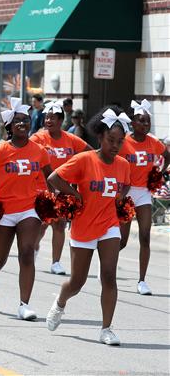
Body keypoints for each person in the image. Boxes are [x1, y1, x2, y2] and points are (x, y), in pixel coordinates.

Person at [45, 108, 132, 346]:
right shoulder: (84, 159)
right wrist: (74, 194)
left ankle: (107, 329)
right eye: (111, 140)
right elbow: (54, 178)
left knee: (109, 276)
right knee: (77, 282)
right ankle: (61, 301)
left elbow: (126, 185)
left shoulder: (123, 164)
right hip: (83, 226)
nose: (115, 145)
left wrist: (120, 198)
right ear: (99, 137)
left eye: (120, 141)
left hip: (109, 226)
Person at [0, 98, 53, 320]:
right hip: (3, 210)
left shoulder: (39, 151)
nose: (23, 124)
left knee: (27, 253)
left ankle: (24, 304)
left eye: (26, 120)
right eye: (17, 121)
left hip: (29, 209)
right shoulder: (0, 151)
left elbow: (50, 176)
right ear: (9, 126)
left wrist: (53, 201)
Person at [30, 101, 92, 275]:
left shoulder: (70, 139)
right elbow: (26, 152)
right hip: (41, 189)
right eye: (46, 117)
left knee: (59, 225)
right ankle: (33, 250)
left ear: (60, 120)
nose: (48, 120)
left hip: (63, 189)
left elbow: (90, 153)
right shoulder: (38, 137)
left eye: (53, 117)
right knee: (42, 225)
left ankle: (55, 262)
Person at [118, 100, 170, 296]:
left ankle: (142, 281)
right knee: (122, 240)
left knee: (145, 237)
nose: (145, 125)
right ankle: (105, 265)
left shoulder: (153, 141)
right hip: (126, 192)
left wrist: (160, 173)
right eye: (141, 121)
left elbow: (167, 155)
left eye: (147, 121)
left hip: (144, 193)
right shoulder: (123, 142)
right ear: (133, 122)